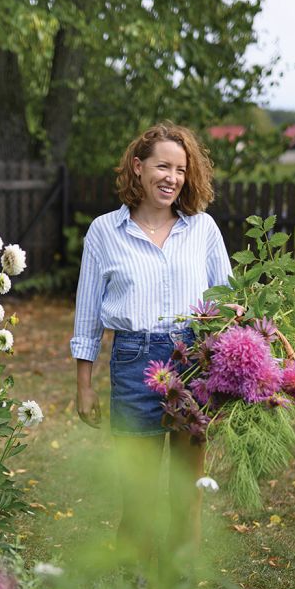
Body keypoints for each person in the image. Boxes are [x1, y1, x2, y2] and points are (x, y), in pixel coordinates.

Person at [70, 121, 232, 566]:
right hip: (132, 363)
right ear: (138, 168)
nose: (172, 178)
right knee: (138, 501)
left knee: (187, 496)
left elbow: (228, 299)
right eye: (163, 166)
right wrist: (84, 385)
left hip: (194, 366)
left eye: (180, 169)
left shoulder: (203, 229)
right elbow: (87, 314)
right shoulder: (105, 232)